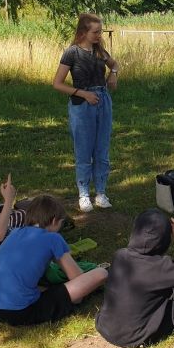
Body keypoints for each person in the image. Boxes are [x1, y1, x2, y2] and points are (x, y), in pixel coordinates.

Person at [96, 208, 174, 348]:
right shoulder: (163, 267)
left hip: (104, 326)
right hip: (138, 337)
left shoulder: (120, 255)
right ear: (164, 239)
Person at [0, 195, 108, 326]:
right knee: (101, 274)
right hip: (19, 312)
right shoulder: (53, 238)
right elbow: (77, 278)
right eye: (61, 223)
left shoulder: (15, 232)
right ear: (54, 220)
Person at [52, 13, 119, 213]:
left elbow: (114, 64)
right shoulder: (71, 53)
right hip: (82, 105)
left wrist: (113, 74)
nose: (99, 35)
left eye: (100, 31)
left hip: (103, 101)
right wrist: (84, 94)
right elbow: (57, 83)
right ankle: (83, 194)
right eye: (96, 32)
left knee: (102, 150)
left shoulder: (100, 51)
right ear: (83, 32)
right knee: (83, 151)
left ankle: (101, 193)